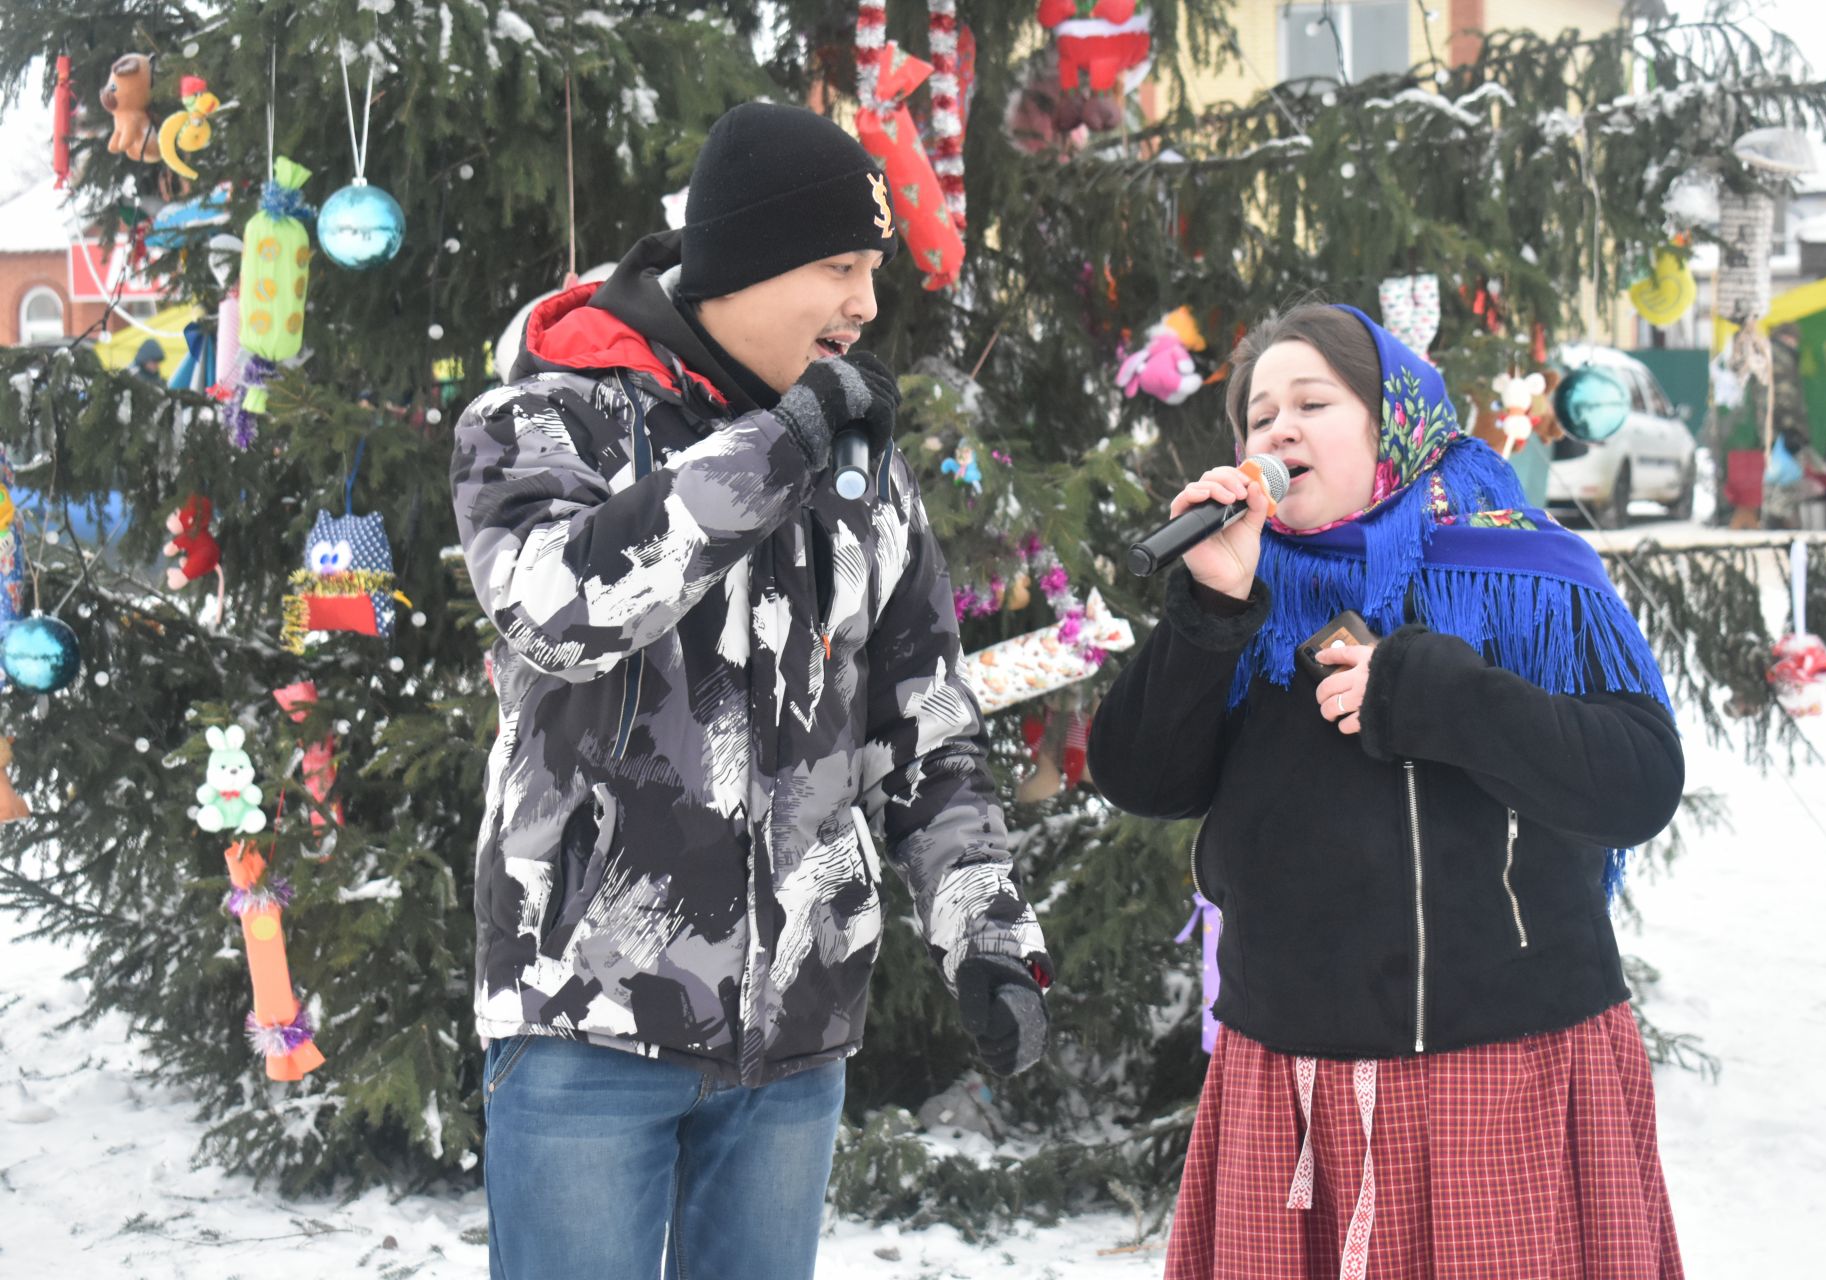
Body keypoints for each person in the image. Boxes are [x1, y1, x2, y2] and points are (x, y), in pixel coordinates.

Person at [450, 102, 1052, 1280]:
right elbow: (563, 611)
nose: (865, 306)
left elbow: (924, 725)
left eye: (872, 271)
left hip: (793, 1043)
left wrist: (985, 930)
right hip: (588, 1027)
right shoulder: (544, 417)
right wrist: (781, 445)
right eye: (836, 267)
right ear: (741, 265)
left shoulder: (863, 469)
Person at [1088, 303, 1687, 1279]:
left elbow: (1636, 780)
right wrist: (1208, 609)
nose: (1277, 428)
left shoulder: (1529, 572)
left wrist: (1437, 693)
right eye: (1258, 412)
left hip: (1504, 1068)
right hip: (1292, 1078)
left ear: (1395, 419)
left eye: (1312, 401)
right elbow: (1142, 775)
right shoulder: (1247, 588)